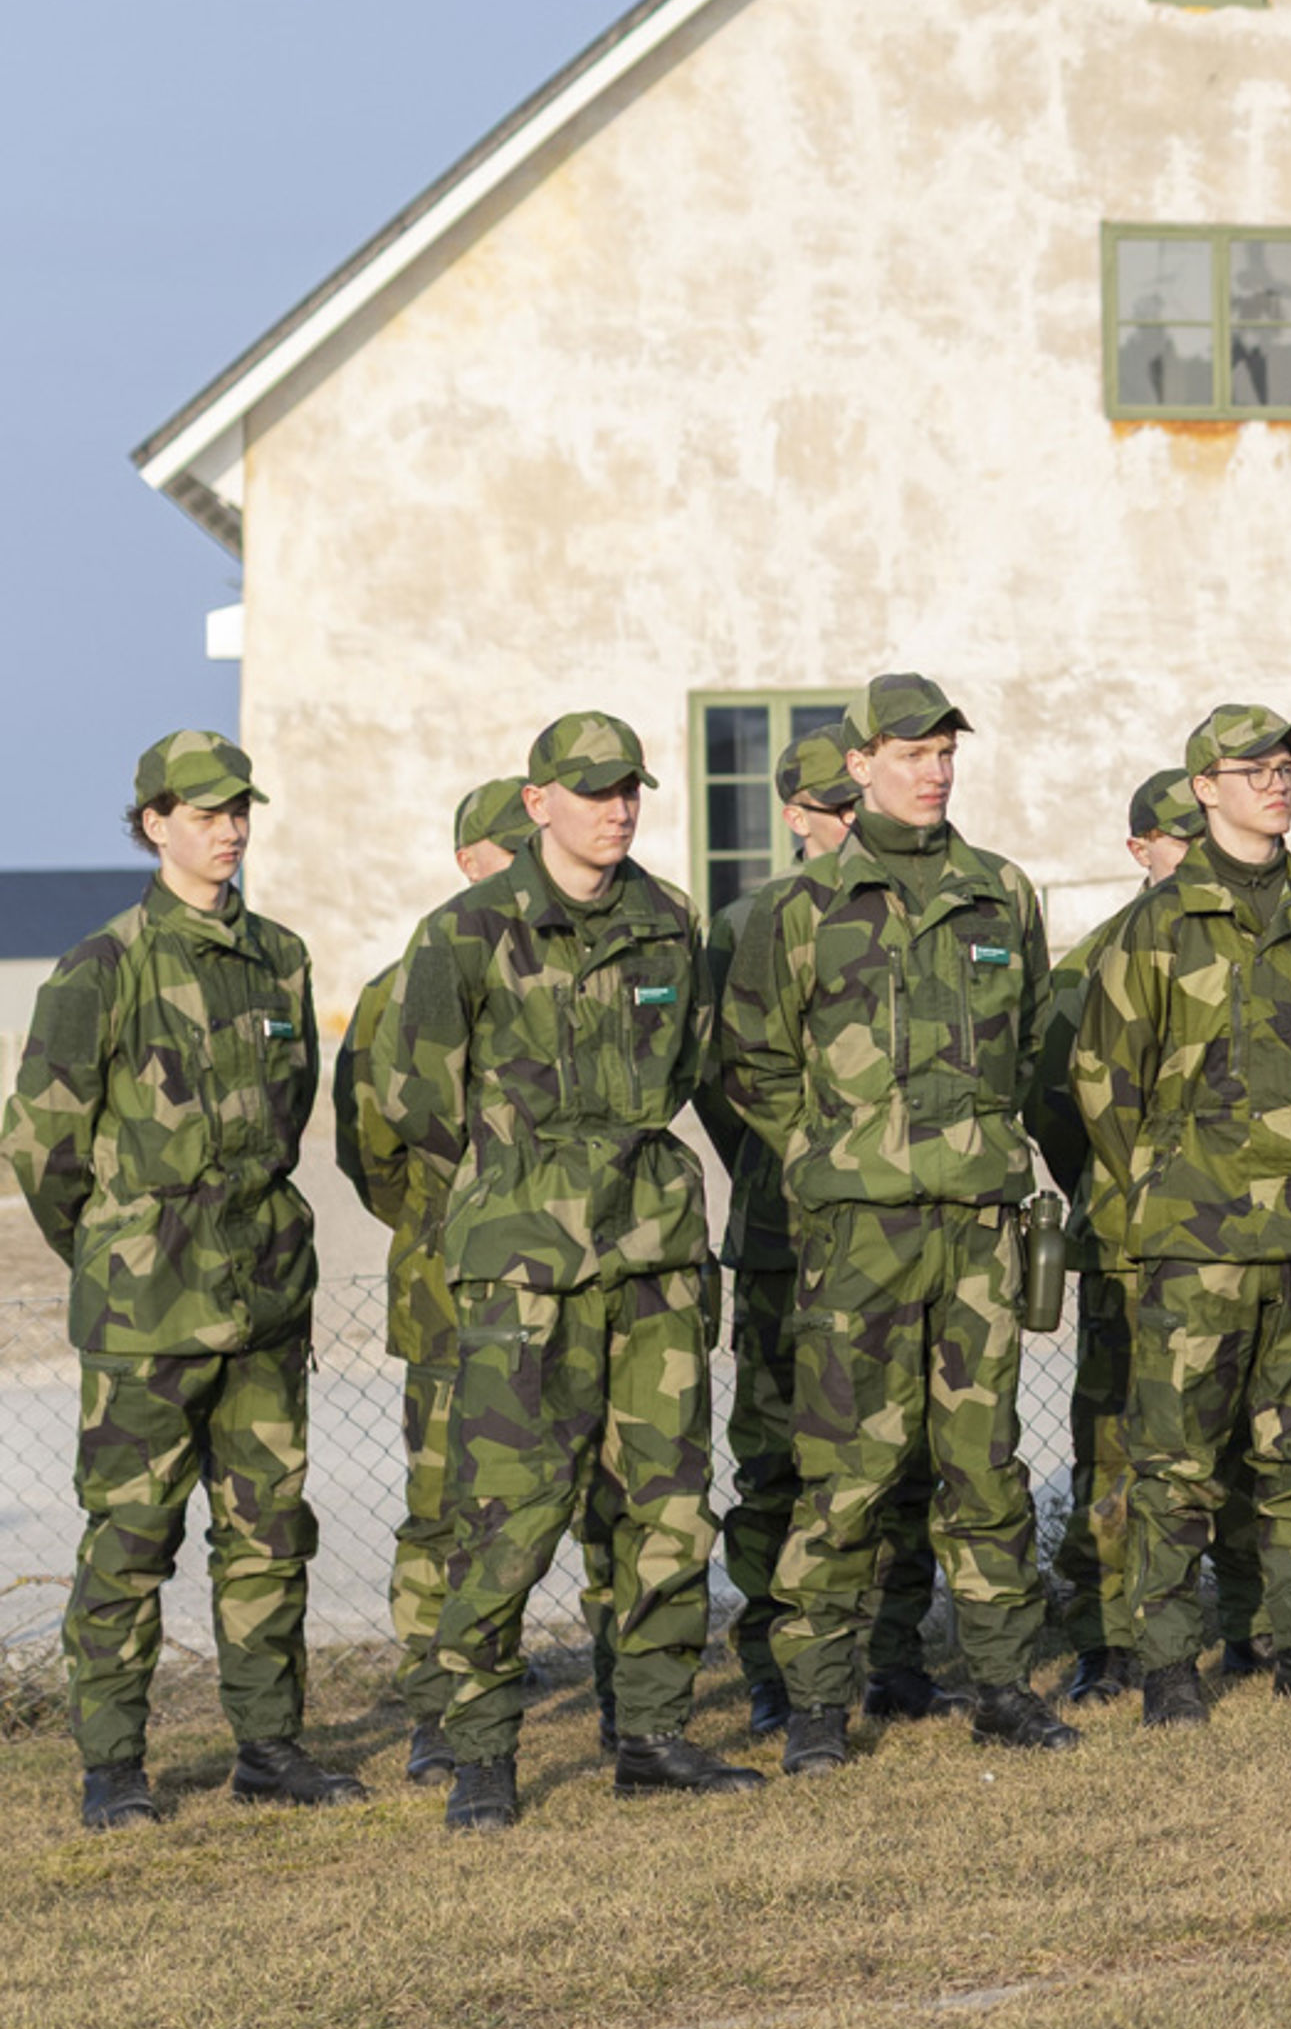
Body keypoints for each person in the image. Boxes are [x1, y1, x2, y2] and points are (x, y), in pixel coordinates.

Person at [371, 713, 762, 1827]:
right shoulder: (463, 931)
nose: (618, 807)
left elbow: (689, 1063)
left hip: (654, 1260)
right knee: (507, 1513)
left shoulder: (668, 920)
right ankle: (482, 1750)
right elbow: (413, 1098)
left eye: (630, 788)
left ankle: (649, 1730)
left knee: (667, 1505)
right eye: (593, 791)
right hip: (525, 1271)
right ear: (538, 801)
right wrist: (519, 1183)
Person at [722, 672, 1084, 1771]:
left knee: (985, 1467)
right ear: (861, 764)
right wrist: (829, 1158)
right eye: (910, 753)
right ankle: (821, 1708)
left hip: (977, 1227)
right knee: (846, 1474)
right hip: (861, 1235)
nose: (932, 770)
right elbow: (755, 1061)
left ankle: (1003, 1687)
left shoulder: (1000, 893)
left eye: (943, 753)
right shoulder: (802, 908)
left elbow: (1024, 1046)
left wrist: (973, 1147)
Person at [6, 732, 355, 1830]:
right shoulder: (102, 968)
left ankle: (269, 1746)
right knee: (130, 1541)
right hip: (147, 1312)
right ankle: (113, 1765)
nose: (230, 827)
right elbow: (41, 1146)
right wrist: (118, 1248)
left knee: (268, 1531)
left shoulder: (281, 958)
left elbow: (289, 1115)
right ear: (154, 823)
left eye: (239, 808)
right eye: (204, 812)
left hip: (262, 1294)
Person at [1074, 707, 1291, 1723]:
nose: (1277, 782)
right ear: (1204, 786)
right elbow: (1105, 1085)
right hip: (1194, 1240)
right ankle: (1168, 1661)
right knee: (1175, 1462)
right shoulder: (1159, 925)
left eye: (1286, 766)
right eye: (1253, 768)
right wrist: (1170, 1187)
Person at [702, 726, 957, 1738]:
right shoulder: (750, 922)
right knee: (777, 1464)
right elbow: (724, 1074)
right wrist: (800, 1157)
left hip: (893, 1229)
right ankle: (775, 1664)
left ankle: (895, 1655)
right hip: (781, 1232)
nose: (849, 825)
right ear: (796, 814)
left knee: (902, 1460)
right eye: (831, 810)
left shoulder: (903, 909)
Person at [337, 775, 534, 1783]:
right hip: (451, 1285)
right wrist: (440, 1220)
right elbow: (370, 1147)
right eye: (514, 847)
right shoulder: (399, 988)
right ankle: (434, 1695)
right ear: (470, 862)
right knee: (448, 1499)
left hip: (563, 1280)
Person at [1030, 767, 1216, 1706]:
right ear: (1139, 849)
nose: (1192, 851)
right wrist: (1121, 1189)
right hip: (1126, 1239)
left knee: (1233, 1435)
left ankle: (1253, 1624)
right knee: (1114, 1440)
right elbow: (1056, 1105)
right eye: (1175, 837)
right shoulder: (1091, 963)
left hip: (1235, 1237)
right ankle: (1104, 1636)